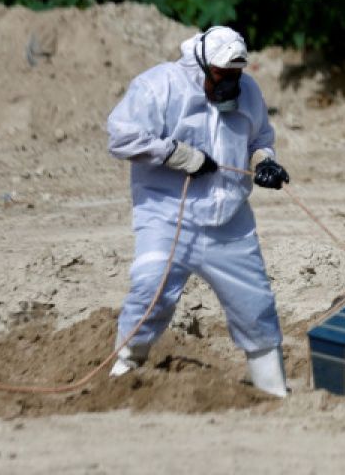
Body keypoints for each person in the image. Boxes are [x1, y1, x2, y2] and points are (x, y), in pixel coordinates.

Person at [106, 26, 292, 397]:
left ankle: (274, 393)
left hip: (229, 221)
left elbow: (260, 140)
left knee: (255, 307)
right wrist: (177, 154)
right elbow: (121, 137)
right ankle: (122, 376)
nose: (231, 84)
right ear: (203, 67)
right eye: (223, 75)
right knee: (150, 290)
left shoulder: (249, 92)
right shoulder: (159, 87)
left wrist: (264, 162)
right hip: (167, 214)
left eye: (237, 75)